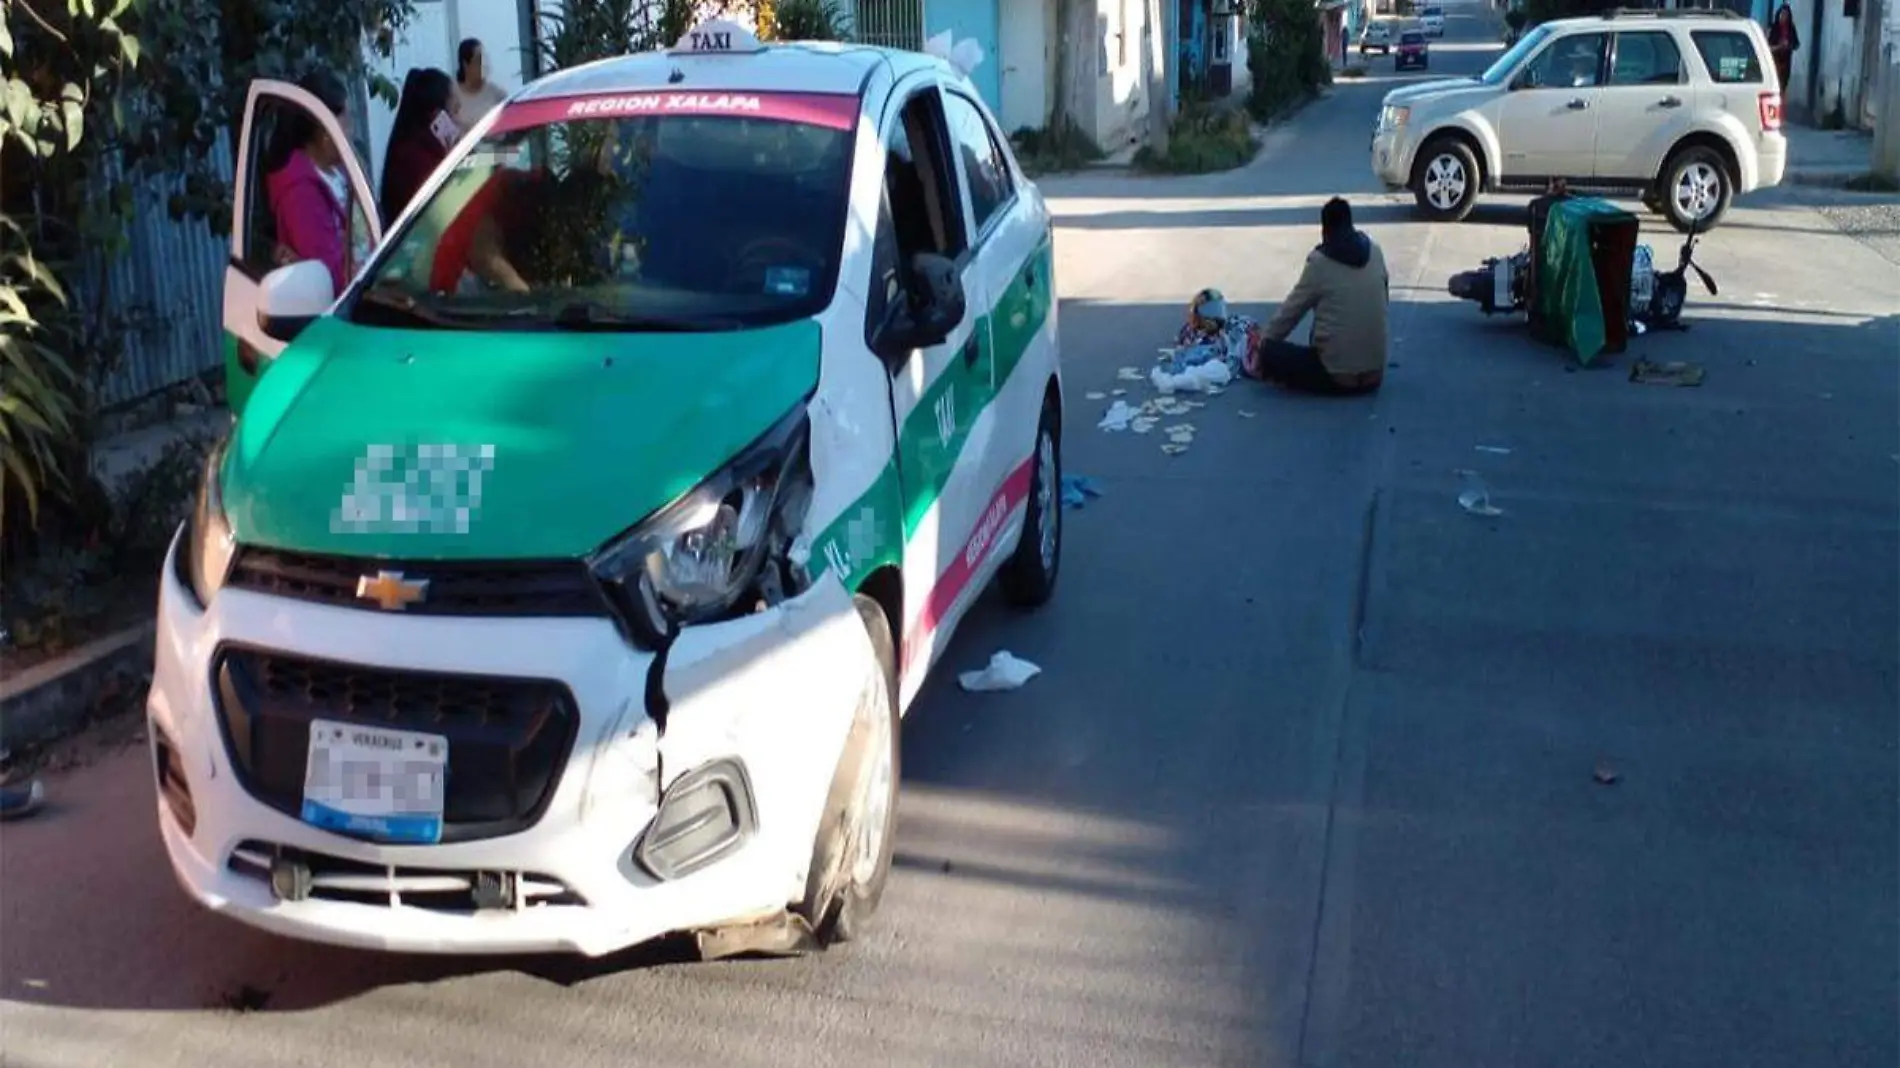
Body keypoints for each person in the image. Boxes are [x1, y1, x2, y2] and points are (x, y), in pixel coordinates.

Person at [1251, 197, 1390, 395]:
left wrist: (1263, 344)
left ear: (1325, 230)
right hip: (1375, 374)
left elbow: (1290, 313)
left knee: (1271, 354)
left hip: (1336, 376)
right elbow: (1383, 301)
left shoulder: (1320, 263)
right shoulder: (1376, 252)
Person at [264, 69, 354, 294]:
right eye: (346, 123)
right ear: (326, 132)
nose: (350, 131)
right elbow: (330, 275)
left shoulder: (338, 171)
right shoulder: (301, 194)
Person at [380, 67, 458, 221]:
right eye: (455, 110)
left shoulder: (421, 149)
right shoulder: (416, 158)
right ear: (438, 116)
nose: (458, 120)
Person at [452, 38, 509, 130]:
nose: (484, 64)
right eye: (479, 60)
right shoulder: (451, 93)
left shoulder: (497, 94)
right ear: (465, 64)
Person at [1768, 2, 1799, 91]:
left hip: (1786, 60)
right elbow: (1769, 46)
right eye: (1782, 14)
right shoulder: (1775, 28)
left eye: (1786, 15)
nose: (1783, 17)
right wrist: (1779, 46)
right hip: (1776, 59)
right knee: (1775, 83)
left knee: (1783, 84)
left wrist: (1788, 45)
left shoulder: (1791, 28)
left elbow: (1796, 44)